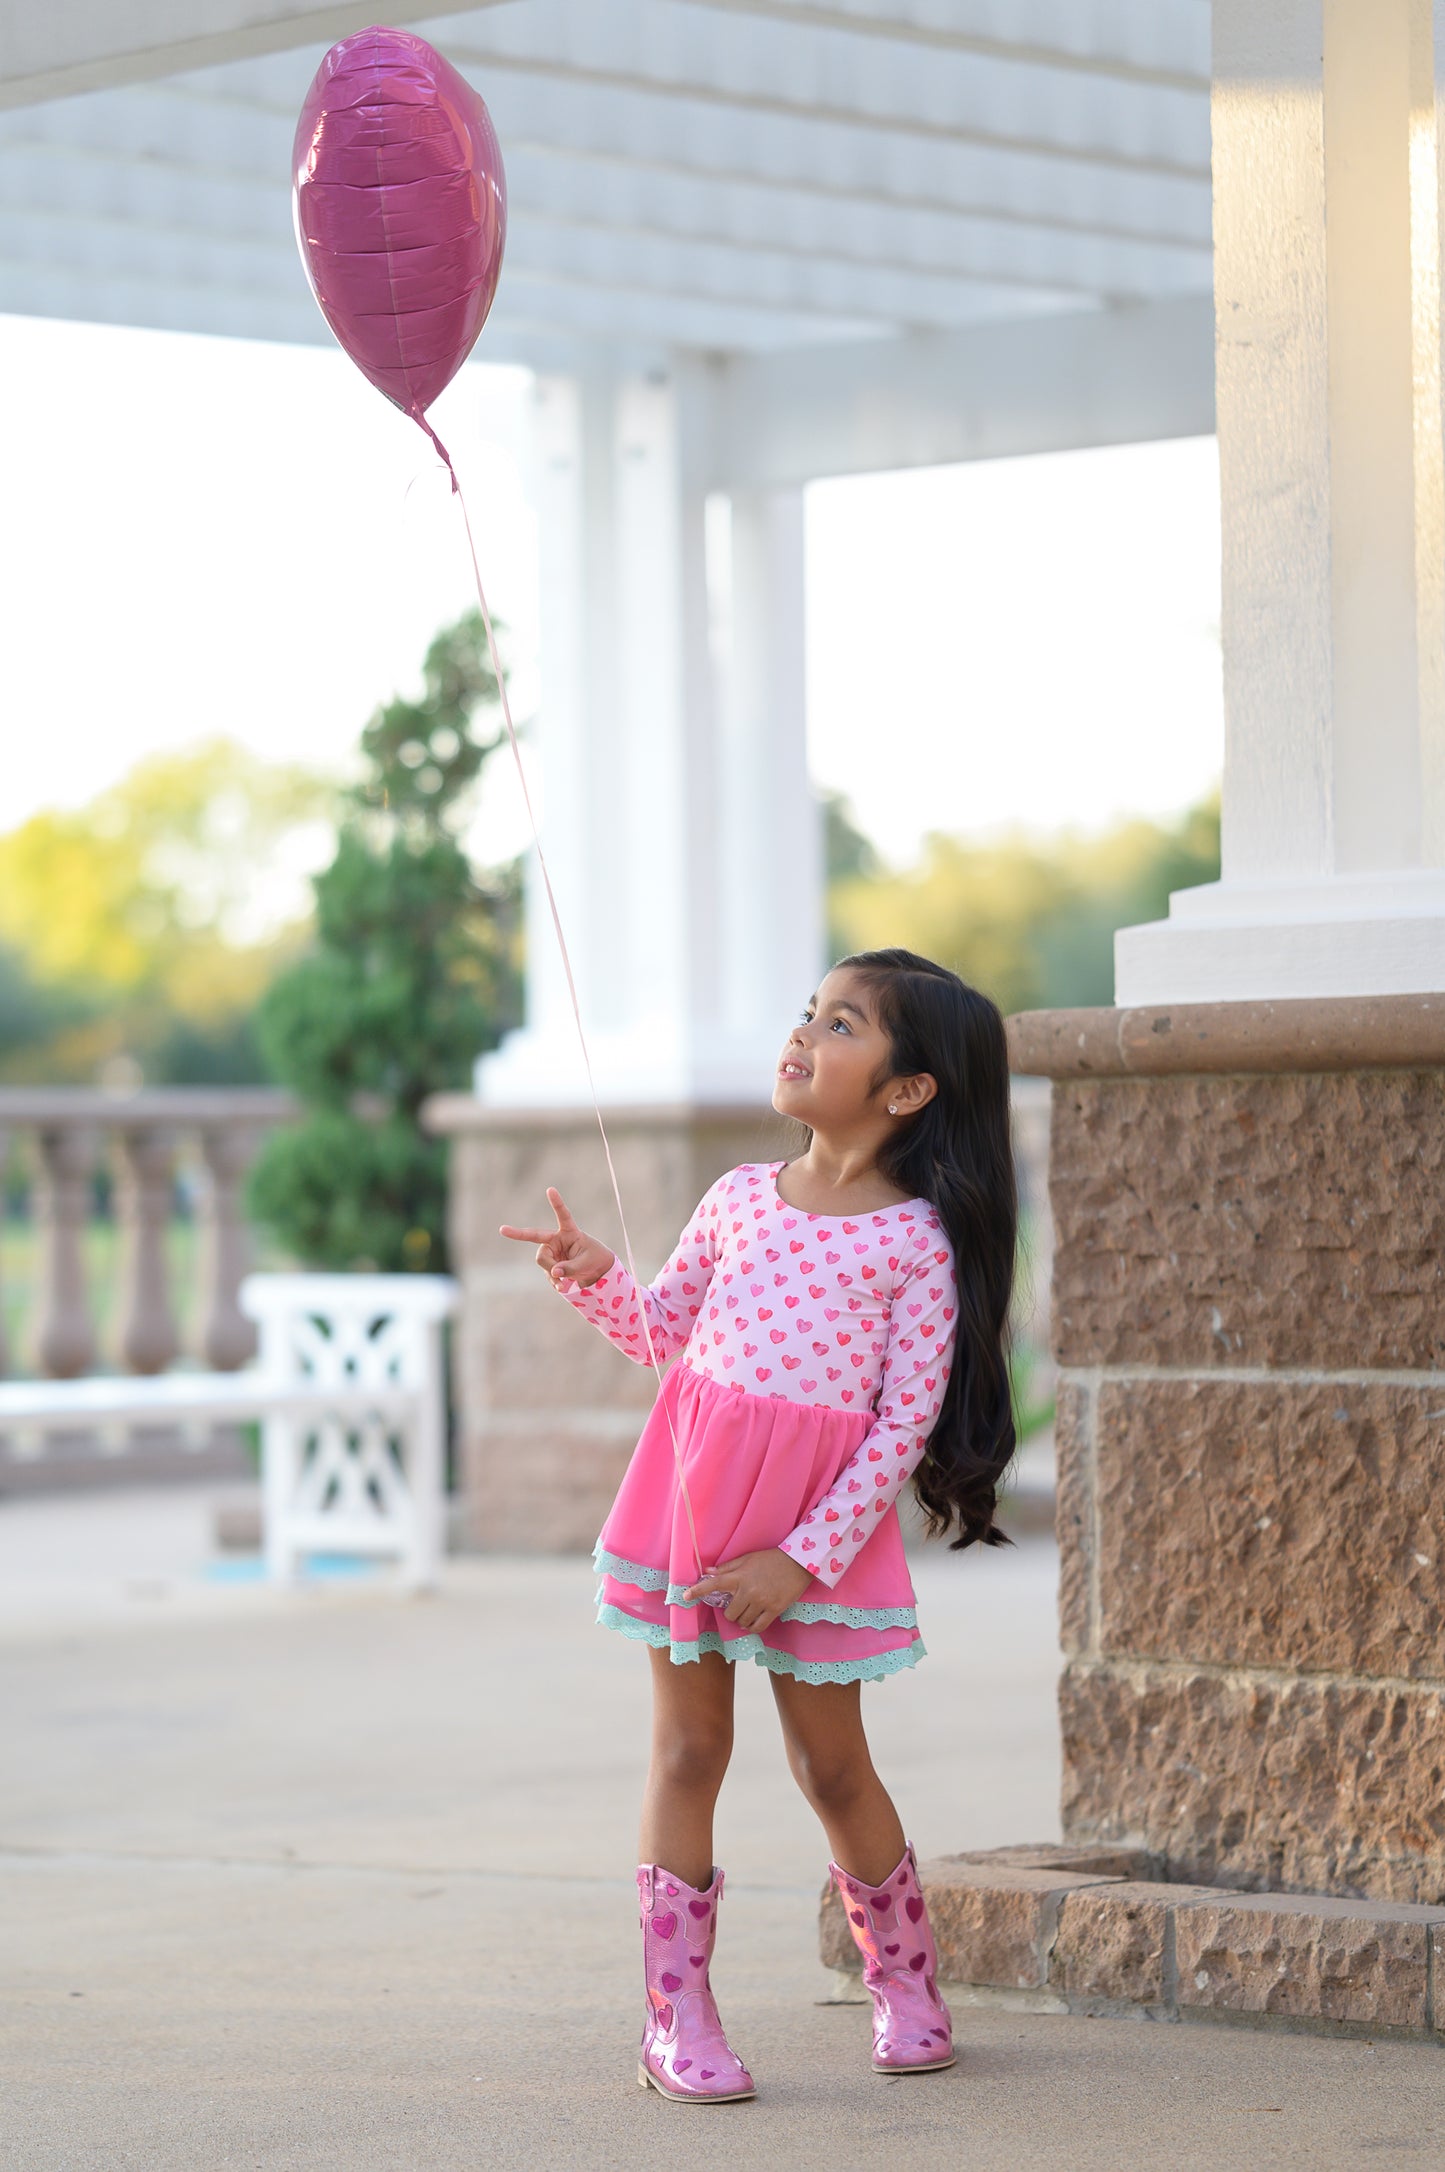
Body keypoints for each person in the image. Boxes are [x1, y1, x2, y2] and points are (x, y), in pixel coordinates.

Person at [499, 948, 1019, 2104]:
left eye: (842, 1026)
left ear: (907, 1092)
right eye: (808, 1014)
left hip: (810, 1541)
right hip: (692, 1513)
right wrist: (592, 1274)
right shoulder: (737, 1197)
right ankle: (673, 2013)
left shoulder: (913, 1242)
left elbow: (898, 1427)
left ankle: (903, 1978)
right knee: (688, 1751)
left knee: (831, 1767)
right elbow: (657, 1333)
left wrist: (800, 1559)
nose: (803, 1036)